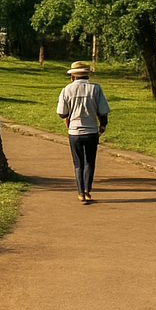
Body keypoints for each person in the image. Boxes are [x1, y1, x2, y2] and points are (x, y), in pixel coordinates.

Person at [57, 61, 110, 204]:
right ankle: (87, 190)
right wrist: (103, 125)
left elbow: (62, 113)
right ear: (87, 74)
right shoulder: (96, 89)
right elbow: (103, 111)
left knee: (77, 163)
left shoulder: (67, 90)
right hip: (91, 131)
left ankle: (80, 192)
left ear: (73, 75)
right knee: (90, 162)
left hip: (74, 132)